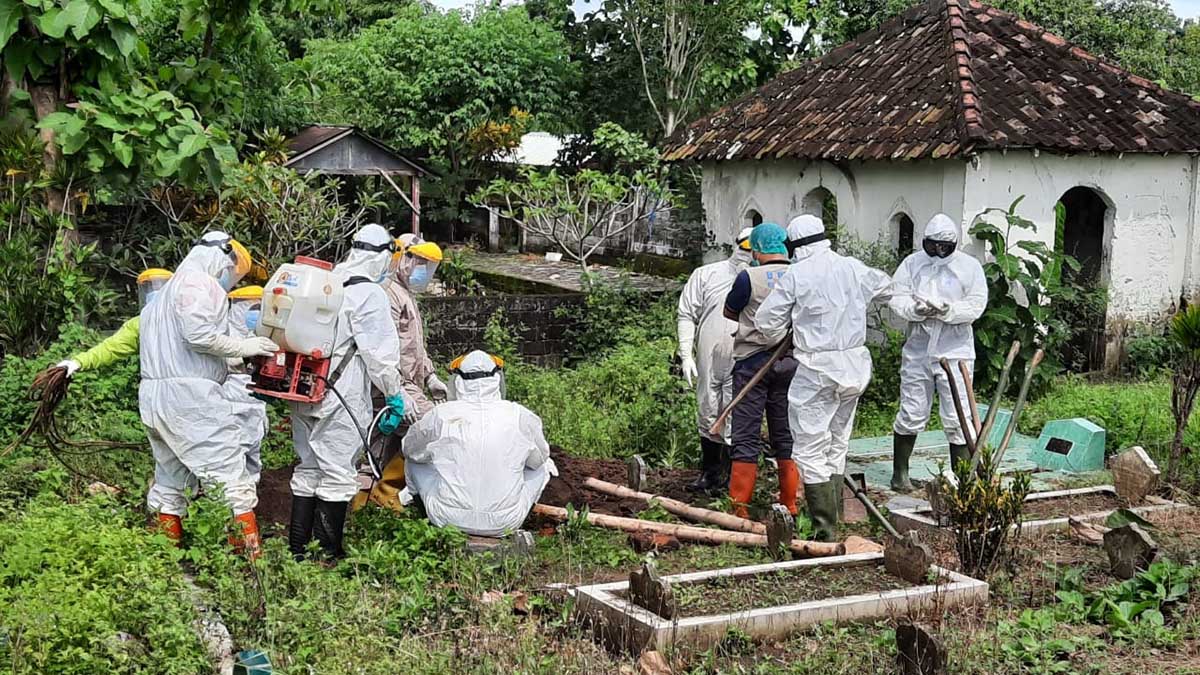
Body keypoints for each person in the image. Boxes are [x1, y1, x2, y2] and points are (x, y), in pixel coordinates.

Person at [139, 232, 277, 556]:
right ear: (222, 257)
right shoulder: (199, 283)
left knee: (171, 482)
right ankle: (247, 570)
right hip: (190, 399)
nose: (229, 280)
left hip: (156, 397)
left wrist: (236, 356)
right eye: (233, 272)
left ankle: (166, 562)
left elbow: (187, 348)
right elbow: (198, 335)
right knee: (232, 479)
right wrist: (244, 345)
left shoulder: (162, 298)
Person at [755, 215, 892, 541]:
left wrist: (786, 328)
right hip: (854, 367)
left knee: (810, 447)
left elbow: (765, 320)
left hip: (817, 370)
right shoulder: (852, 267)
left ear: (794, 245)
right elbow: (888, 288)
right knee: (837, 442)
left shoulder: (796, 274)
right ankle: (833, 520)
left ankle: (823, 531)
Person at [287, 223, 413, 560]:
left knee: (309, 467)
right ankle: (328, 553)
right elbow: (381, 358)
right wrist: (394, 396)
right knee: (337, 470)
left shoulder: (326, 282)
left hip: (302, 388)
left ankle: (298, 549)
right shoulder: (369, 294)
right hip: (339, 395)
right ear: (384, 256)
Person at [402, 350, 554, 537]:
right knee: (544, 465)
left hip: (446, 518)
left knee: (413, 460)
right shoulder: (519, 415)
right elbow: (537, 460)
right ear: (497, 379)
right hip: (505, 521)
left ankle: (421, 515)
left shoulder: (440, 414)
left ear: (458, 382)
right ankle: (524, 515)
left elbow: (410, 449)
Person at [889, 213, 988, 492]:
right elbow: (897, 296)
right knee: (911, 410)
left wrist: (949, 311)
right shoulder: (912, 264)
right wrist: (914, 310)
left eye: (944, 247)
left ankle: (962, 481)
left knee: (958, 415)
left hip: (955, 349)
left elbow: (977, 304)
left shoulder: (969, 267)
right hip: (918, 349)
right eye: (933, 246)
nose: (939, 252)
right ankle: (901, 475)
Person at [354, 234, 448, 513]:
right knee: (431, 429)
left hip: (409, 383)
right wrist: (400, 392)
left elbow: (414, 346)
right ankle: (375, 499)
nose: (423, 272)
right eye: (419, 263)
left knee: (388, 443)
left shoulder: (406, 294)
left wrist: (430, 376)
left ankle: (378, 502)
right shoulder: (387, 294)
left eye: (427, 266)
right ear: (401, 257)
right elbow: (384, 349)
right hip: (392, 387)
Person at [722, 223, 800, 518]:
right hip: (791, 362)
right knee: (786, 431)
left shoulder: (748, 277)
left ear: (756, 249)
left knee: (745, 434)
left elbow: (730, 311)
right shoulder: (799, 274)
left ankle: (738, 508)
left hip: (752, 362)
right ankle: (790, 503)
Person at [676, 227, 755, 494]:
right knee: (708, 408)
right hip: (709, 354)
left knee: (737, 411)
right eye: (743, 247)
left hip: (744, 354)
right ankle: (711, 474)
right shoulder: (706, 274)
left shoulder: (762, 279)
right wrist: (686, 354)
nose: (746, 254)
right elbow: (686, 313)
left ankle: (735, 479)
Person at [55, 269, 172, 379]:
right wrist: (78, 362)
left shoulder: (182, 320)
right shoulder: (140, 324)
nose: (153, 292)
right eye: (149, 288)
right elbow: (111, 348)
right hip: (154, 393)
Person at [225, 285, 269, 485]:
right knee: (231, 451)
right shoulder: (225, 333)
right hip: (231, 399)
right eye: (250, 307)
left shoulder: (264, 334)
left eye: (258, 308)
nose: (254, 313)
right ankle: (235, 502)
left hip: (255, 401)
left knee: (253, 449)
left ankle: (251, 499)